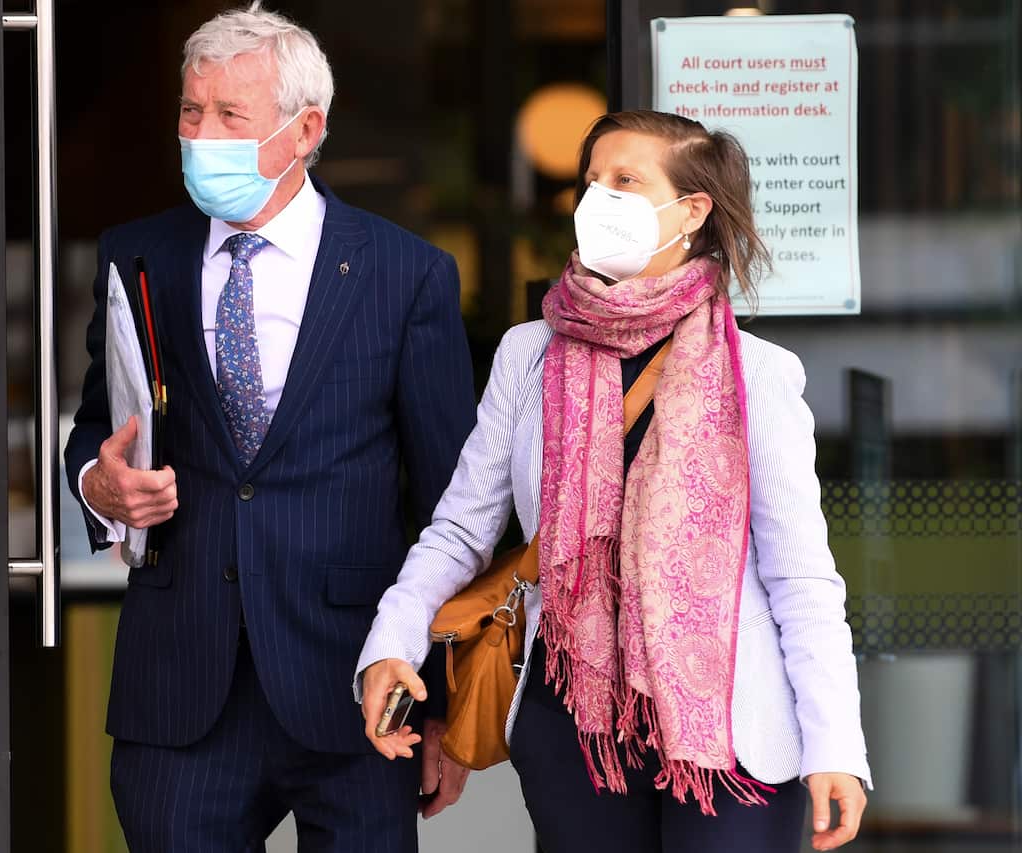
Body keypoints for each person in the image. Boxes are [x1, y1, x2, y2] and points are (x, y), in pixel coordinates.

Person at [357, 110, 871, 853]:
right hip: (574, 723)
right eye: (591, 180)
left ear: (691, 211)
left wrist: (836, 749)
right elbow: (461, 529)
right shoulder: (528, 355)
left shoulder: (756, 374)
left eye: (626, 181)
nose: (599, 197)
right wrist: (390, 641)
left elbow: (801, 578)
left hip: (727, 731)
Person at [63, 4, 477, 850]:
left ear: (305, 129)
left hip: (356, 687)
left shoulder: (405, 274)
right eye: (190, 111)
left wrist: (448, 705)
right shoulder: (137, 254)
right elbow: (99, 432)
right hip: (181, 694)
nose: (200, 134)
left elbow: (453, 507)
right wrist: (100, 486)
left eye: (229, 116)